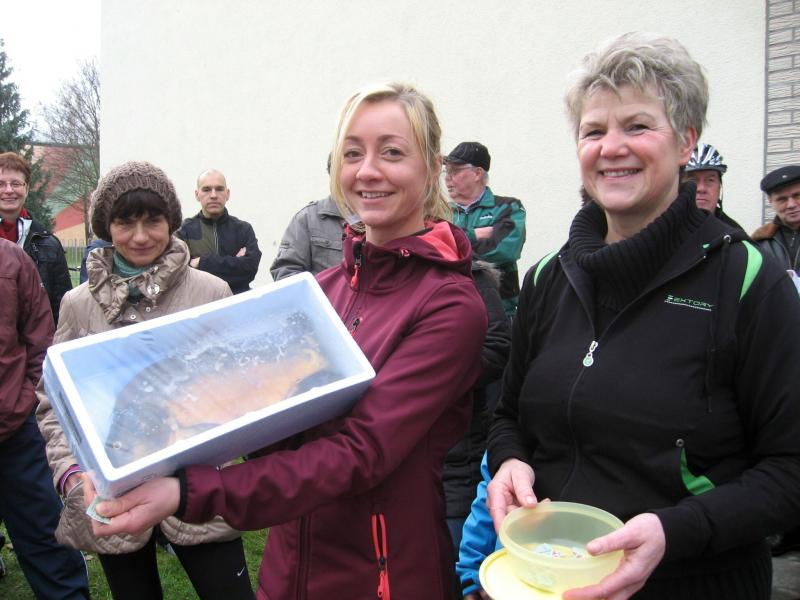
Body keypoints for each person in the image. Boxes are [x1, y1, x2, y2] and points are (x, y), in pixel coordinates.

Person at [85, 82, 488, 599]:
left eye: (392, 152)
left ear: (431, 168)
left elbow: (360, 454)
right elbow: (275, 424)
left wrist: (187, 491)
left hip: (381, 573)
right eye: (352, 153)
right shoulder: (323, 291)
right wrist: (153, 447)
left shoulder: (449, 305)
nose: (367, 170)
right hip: (289, 564)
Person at [486, 33, 800, 600]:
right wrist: (509, 460)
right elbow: (509, 415)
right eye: (593, 131)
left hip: (696, 583)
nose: (612, 148)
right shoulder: (549, 277)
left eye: (637, 126)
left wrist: (677, 531)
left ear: (686, 141)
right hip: (553, 576)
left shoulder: (749, 280)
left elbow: (789, 468)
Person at [35, 161, 255, 600]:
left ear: (171, 222)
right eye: (125, 222)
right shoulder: (78, 304)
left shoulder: (210, 292)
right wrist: (72, 475)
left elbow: (240, 388)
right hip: (113, 492)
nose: (140, 236)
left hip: (199, 485)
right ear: (106, 227)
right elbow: (53, 401)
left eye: (152, 220)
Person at [0, 237, 89, 599]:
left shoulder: (10, 261)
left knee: (45, 536)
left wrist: (26, 401)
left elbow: (40, 342)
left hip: (15, 429)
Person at [444, 141, 526, 316]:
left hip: (500, 311)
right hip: (454, 313)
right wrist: (475, 235)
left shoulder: (508, 207)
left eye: (454, 171)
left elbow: (506, 250)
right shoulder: (442, 213)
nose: (447, 178)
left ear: (477, 173)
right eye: (446, 171)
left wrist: (453, 245)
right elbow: (433, 252)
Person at [0, 151, 72, 323]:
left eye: (16, 183)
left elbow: (62, 306)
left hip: (37, 336)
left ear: (26, 188)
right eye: (1, 184)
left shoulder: (49, 244)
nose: (8, 190)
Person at [177, 169, 262, 293]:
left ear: (227, 194)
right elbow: (181, 276)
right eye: (206, 189)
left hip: (237, 301)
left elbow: (249, 269)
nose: (213, 195)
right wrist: (234, 264)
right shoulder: (184, 231)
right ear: (197, 194)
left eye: (219, 189)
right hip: (200, 302)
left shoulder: (243, 229)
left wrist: (202, 263)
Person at [752, 164, 800, 275]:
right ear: (770, 201)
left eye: (797, 195)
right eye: (782, 199)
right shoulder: (760, 241)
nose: (791, 205)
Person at [684, 142, 742, 229]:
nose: (701, 188)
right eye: (693, 180)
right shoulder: (665, 230)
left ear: (719, 187)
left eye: (710, 180)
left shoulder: (734, 233)